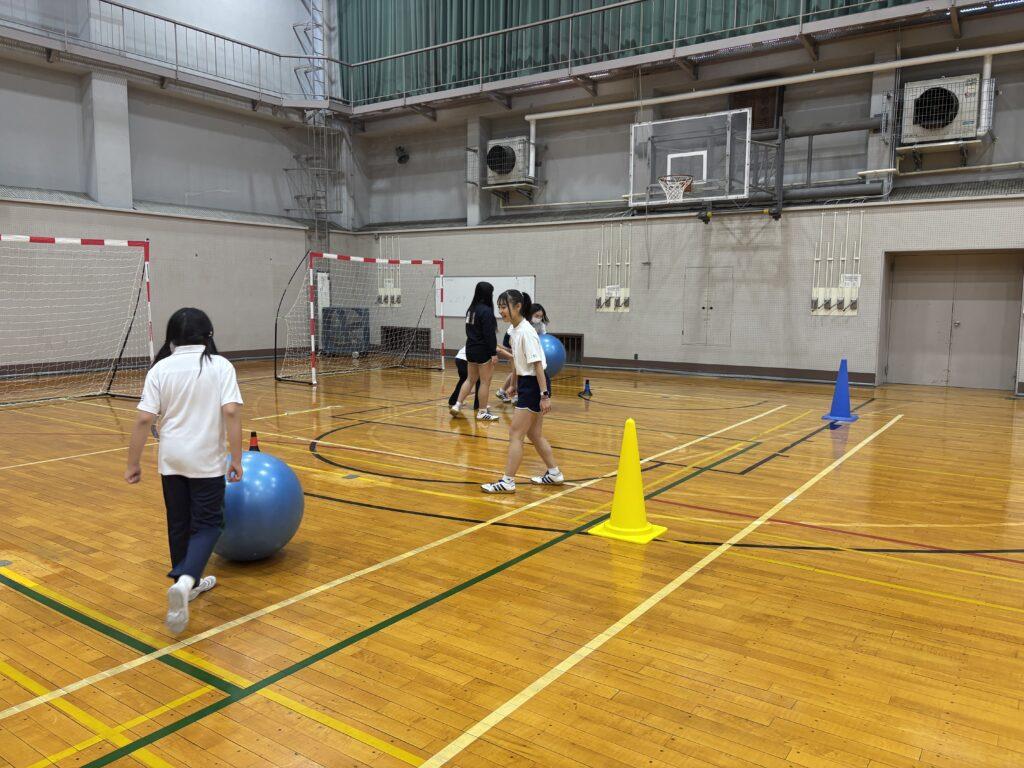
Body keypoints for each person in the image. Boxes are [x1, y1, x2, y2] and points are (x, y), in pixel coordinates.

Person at [124, 308, 243, 634]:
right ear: (209, 335)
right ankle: (187, 579)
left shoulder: (160, 368)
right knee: (209, 525)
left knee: (178, 523)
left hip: (172, 460)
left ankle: (185, 582)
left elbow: (144, 419)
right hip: (206, 460)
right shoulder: (220, 365)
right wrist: (236, 458)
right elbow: (231, 412)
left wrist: (133, 462)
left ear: (172, 336)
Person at [482, 291, 563, 493]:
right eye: (499, 307)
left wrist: (544, 396)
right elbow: (519, 361)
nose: (501, 311)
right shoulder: (514, 329)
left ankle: (507, 481)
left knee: (515, 434)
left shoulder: (526, 332)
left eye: (504, 306)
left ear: (517, 306)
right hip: (527, 383)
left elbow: (537, 365)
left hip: (535, 385)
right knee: (534, 434)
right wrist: (514, 384)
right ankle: (554, 473)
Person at [451, 281, 499, 421]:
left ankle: (457, 405)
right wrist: (493, 352)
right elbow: (489, 334)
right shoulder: (486, 311)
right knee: (485, 381)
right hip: (482, 350)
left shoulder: (470, 310)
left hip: (470, 348)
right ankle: (482, 412)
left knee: (470, 379)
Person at [497, 302, 550, 404]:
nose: (539, 318)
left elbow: (544, 337)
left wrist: (544, 395)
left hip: (529, 354)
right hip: (515, 348)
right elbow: (509, 343)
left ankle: (507, 391)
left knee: (520, 368)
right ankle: (507, 391)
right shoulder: (518, 328)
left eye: (541, 316)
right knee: (518, 368)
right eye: (537, 316)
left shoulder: (534, 328)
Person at [448, 345, 480, 411]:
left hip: (459, 358)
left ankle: (453, 401)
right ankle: (478, 405)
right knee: (480, 381)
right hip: (465, 360)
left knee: (463, 380)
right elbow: (496, 349)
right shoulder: (486, 341)